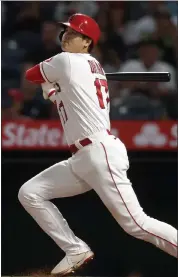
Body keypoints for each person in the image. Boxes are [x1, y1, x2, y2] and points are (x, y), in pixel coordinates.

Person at [18, 13, 177, 276]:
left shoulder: (67, 61)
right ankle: (75, 249)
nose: (67, 36)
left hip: (97, 151)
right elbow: (60, 93)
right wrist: (52, 89)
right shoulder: (81, 67)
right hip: (83, 158)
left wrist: (47, 83)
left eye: (75, 34)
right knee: (30, 192)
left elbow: (31, 73)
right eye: (66, 32)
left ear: (87, 43)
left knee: (137, 224)